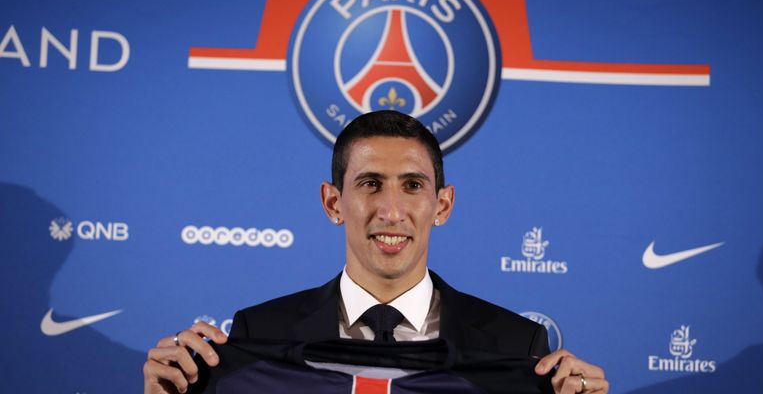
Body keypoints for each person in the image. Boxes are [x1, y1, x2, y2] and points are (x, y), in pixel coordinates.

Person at [144, 111, 609, 394]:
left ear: (441, 205)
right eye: (370, 184)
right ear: (333, 203)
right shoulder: (258, 333)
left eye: (412, 186)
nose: (391, 211)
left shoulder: (517, 345)